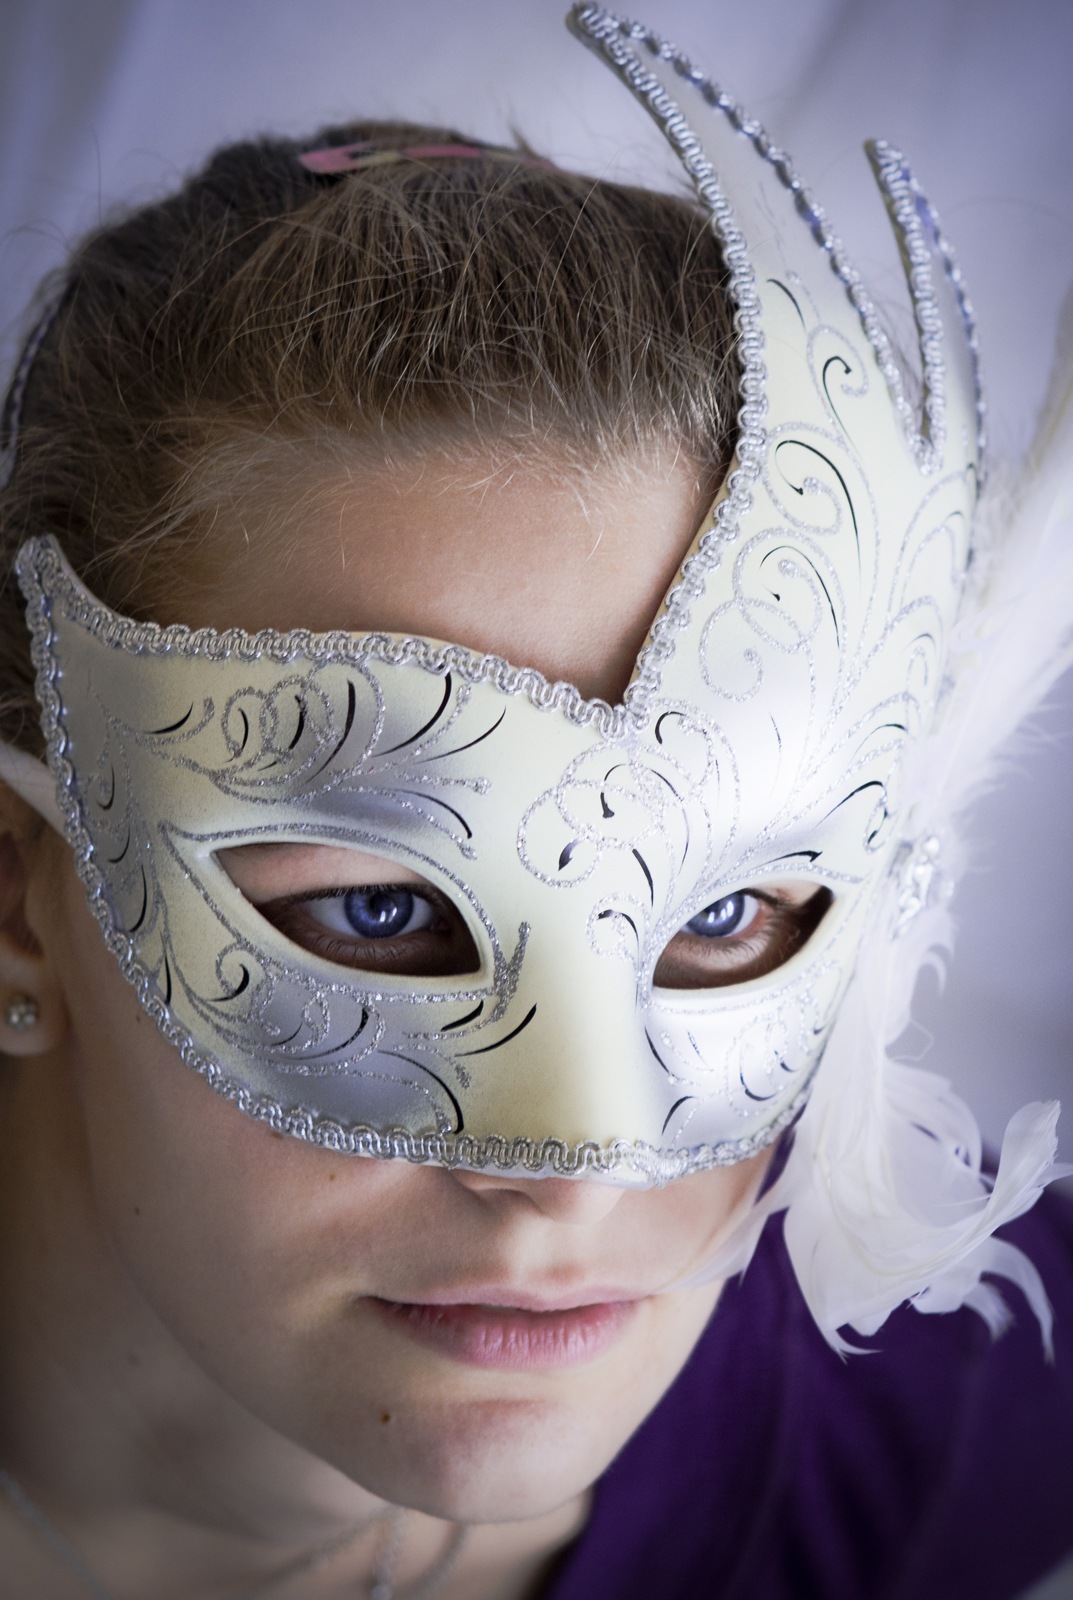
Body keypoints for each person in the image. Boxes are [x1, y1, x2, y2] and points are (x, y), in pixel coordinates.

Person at [0, 7, 1071, 1597]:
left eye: (722, 911)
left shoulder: (930, 1421)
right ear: (19, 888)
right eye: (381, 910)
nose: (578, 1164)